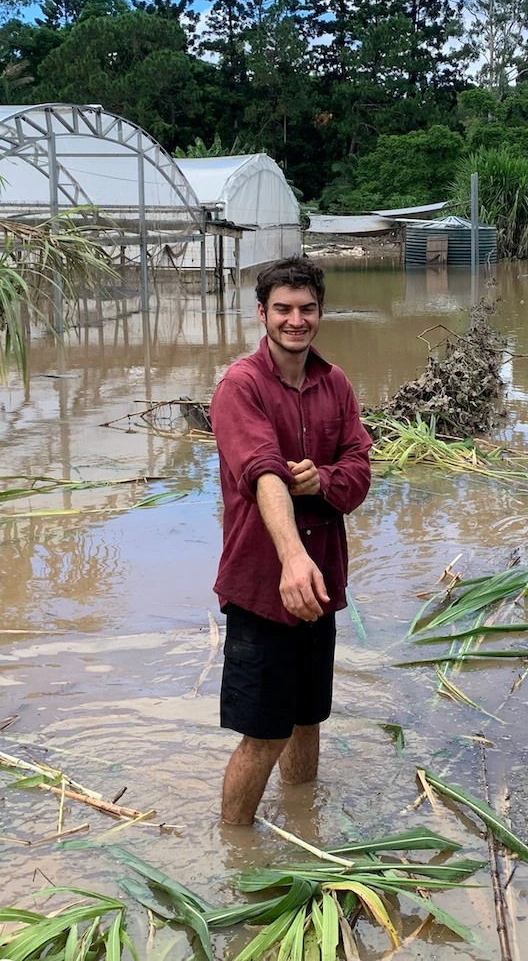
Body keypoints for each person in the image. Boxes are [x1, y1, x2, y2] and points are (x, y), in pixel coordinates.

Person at [210, 256, 372, 825]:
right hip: (264, 584)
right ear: (262, 314)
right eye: (283, 309)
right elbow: (261, 472)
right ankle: (236, 849)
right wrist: (293, 558)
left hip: (318, 582)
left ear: (321, 313)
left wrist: (323, 480)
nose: (295, 320)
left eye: (306, 309)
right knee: (263, 733)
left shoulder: (337, 384)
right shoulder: (240, 386)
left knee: (308, 719)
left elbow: (358, 472)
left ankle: (304, 825)